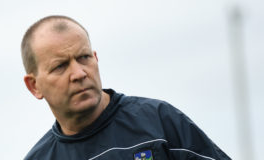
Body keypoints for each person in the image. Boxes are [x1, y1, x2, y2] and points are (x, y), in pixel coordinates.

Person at [21, 15, 231, 160]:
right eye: (60, 66)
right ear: (34, 86)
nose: (79, 73)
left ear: (96, 58)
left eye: (84, 57)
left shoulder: (159, 123)